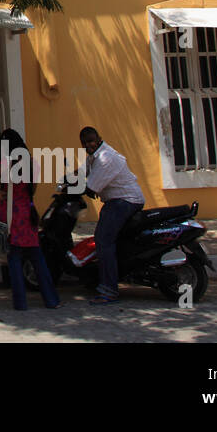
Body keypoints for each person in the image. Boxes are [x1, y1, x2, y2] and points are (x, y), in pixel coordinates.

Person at [0, 128, 61, 311]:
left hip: (12, 215)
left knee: (14, 257)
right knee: (37, 257)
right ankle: (51, 299)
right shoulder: (32, 163)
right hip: (28, 212)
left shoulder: (6, 163)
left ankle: (20, 302)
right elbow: (33, 189)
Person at [79, 126, 145, 305]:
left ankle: (109, 289)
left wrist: (80, 186)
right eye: (84, 143)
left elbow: (91, 187)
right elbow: (81, 172)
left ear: (98, 139)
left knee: (103, 239)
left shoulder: (106, 158)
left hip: (124, 200)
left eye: (91, 141)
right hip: (116, 200)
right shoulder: (94, 157)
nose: (88, 145)